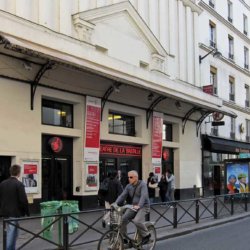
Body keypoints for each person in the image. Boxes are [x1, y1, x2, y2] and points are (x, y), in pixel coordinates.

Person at [115, 170, 151, 245]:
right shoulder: (129, 186)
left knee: (137, 221)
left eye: (130, 177)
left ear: (136, 177)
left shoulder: (143, 184)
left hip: (143, 206)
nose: (129, 178)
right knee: (123, 219)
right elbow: (122, 195)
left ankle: (146, 235)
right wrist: (115, 204)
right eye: (128, 177)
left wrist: (139, 205)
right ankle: (124, 238)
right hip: (134, 206)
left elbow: (143, 196)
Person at [0, 164, 30, 250]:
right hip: (14, 212)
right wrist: (27, 212)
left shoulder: (2, 183)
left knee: (14, 231)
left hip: (5, 212)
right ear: (19, 173)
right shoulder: (19, 184)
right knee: (11, 232)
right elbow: (23, 200)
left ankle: (11, 248)